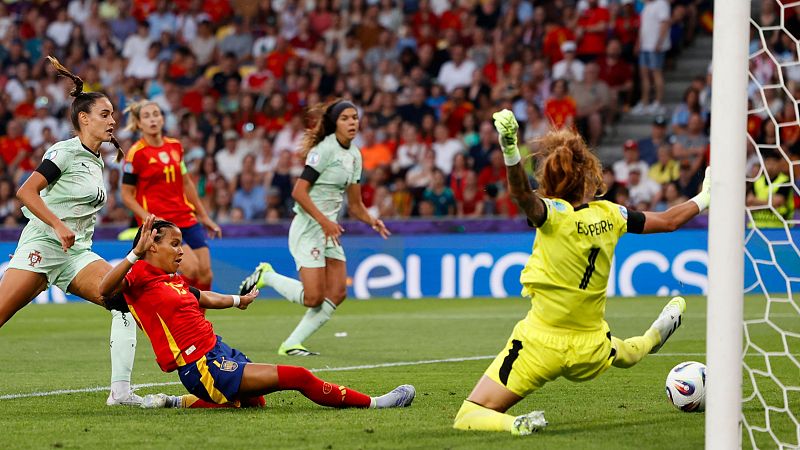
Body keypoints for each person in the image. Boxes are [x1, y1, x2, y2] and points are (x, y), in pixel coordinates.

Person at [453, 109, 711, 435]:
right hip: (591, 346)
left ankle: (515, 424)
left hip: (539, 344)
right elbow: (670, 221)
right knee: (628, 353)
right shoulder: (613, 214)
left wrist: (510, 149)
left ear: (550, 179)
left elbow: (520, 194)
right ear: (590, 175)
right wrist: (705, 197)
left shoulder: (553, 215)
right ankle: (654, 336)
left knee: (469, 414)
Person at [98, 216, 415, 410]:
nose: (181, 251)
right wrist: (134, 253)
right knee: (298, 376)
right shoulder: (137, 276)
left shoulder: (172, 279)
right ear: (152, 246)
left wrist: (238, 300)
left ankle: (172, 401)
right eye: (175, 244)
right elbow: (104, 288)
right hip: (202, 367)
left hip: (217, 349)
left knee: (255, 402)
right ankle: (376, 403)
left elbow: (203, 297)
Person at [0, 56, 148, 407]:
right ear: (84, 118)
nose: (113, 121)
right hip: (43, 245)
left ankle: (121, 393)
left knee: (124, 300)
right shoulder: (63, 152)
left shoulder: (96, 161)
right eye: (105, 115)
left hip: (76, 253)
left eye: (112, 115)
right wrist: (57, 224)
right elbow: (26, 192)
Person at [239, 99, 390, 356]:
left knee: (338, 292)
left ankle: (291, 344)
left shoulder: (354, 155)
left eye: (355, 117)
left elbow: (355, 205)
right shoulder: (324, 150)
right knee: (313, 298)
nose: (352, 122)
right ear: (334, 123)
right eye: (345, 118)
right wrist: (324, 221)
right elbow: (299, 192)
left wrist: (372, 220)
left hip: (329, 229)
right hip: (310, 227)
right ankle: (267, 276)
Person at [121, 100, 221, 291]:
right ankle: (182, 308)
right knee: (191, 269)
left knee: (206, 273)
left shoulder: (175, 147)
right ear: (139, 123)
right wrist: (148, 218)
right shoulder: (136, 154)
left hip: (186, 216)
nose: (153, 119)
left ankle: (196, 311)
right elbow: (126, 195)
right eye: (146, 116)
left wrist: (204, 216)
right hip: (163, 223)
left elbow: (186, 183)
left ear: (163, 119)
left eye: (156, 114)